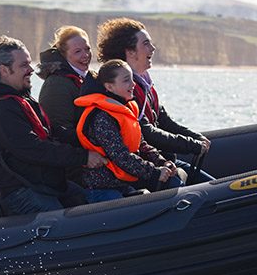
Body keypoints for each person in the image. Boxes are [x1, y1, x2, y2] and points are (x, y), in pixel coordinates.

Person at [0, 36, 107, 216]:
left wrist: (90, 139)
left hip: (45, 184)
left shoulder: (21, 99)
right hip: (24, 191)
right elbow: (33, 149)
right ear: (4, 70)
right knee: (69, 225)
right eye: (23, 66)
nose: (31, 70)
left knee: (92, 200)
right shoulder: (1, 110)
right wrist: (82, 157)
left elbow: (51, 132)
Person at [96, 18, 210, 174]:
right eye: (146, 44)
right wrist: (191, 145)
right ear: (130, 52)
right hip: (148, 166)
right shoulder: (125, 89)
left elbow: (163, 120)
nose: (153, 48)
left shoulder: (145, 82)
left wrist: (195, 137)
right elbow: (147, 133)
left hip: (162, 160)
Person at [74, 60, 184, 202]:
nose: (133, 84)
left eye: (132, 79)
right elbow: (121, 156)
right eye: (126, 81)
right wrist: (154, 172)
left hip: (124, 182)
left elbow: (141, 144)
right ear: (109, 87)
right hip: (102, 188)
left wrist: (162, 162)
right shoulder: (101, 117)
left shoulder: (126, 109)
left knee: (174, 183)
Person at [37, 26, 92, 145]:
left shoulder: (89, 78)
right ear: (64, 55)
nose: (85, 55)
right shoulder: (56, 84)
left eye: (87, 49)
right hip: (77, 156)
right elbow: (59, 130)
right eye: (78, 51)